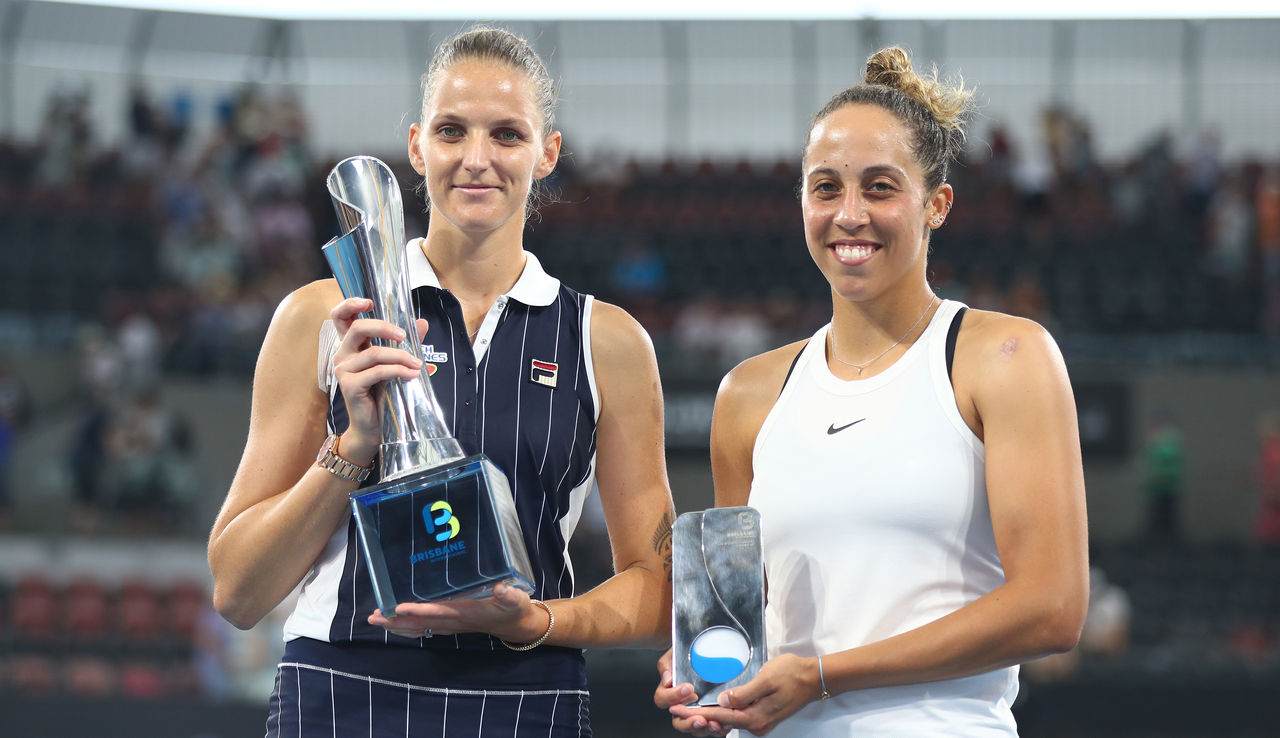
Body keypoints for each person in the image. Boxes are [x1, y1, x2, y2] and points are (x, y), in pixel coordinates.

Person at [208, 26, 675, 736]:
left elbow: (657, 584)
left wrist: (538, 621)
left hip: (531, 691)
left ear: (547, 153)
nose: (477, 159)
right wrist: (353, 446)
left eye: (508, 135)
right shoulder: (323, 316)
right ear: (418, 145)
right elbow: (238, 592)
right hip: (341, 684)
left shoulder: (605, 342)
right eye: (453, 131)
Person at [654, 46, 1089, 736]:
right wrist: (706, 669)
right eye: (825, 187)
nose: (849, 214)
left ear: (936, 204)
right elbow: (742, 613)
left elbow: (1054, 606)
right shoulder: (747, 393)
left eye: (880, 187)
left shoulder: (1005, 357)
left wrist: (825, 675)